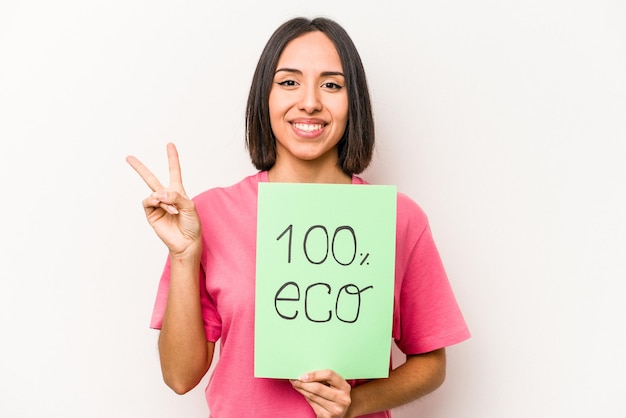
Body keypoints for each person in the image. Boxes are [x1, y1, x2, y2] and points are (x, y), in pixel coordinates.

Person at [126, 16, 470, 418]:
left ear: (352, 102)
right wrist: (185, 257)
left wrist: (355, 403)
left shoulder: (398, 218)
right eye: (289, 82)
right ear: (264, 98)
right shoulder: (209, 216)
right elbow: (180, 377)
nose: (310, 101)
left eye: (332, 84)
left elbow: (431, 362)